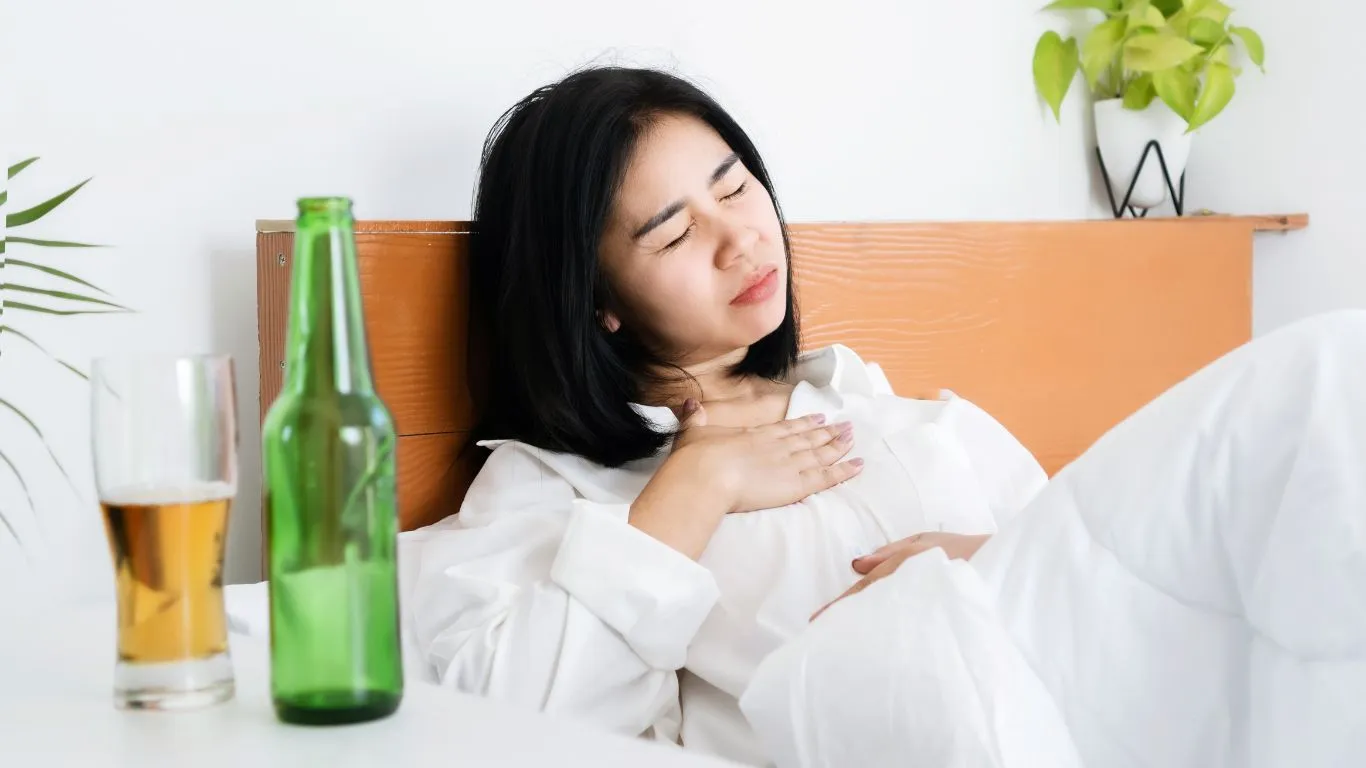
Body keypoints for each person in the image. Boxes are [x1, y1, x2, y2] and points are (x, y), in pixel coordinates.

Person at [402, 65, 1366, 768]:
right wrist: (694, 492)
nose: (742, 237)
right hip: (910, 729)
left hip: (1100, 709)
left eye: (735, 186)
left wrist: (981, 559)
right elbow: (514, 721)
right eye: (676, 231)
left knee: (1330, 389)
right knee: (1325, 376)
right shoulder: (553, 491)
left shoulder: (904, 416)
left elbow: (1106, 580)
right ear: (595, 298)